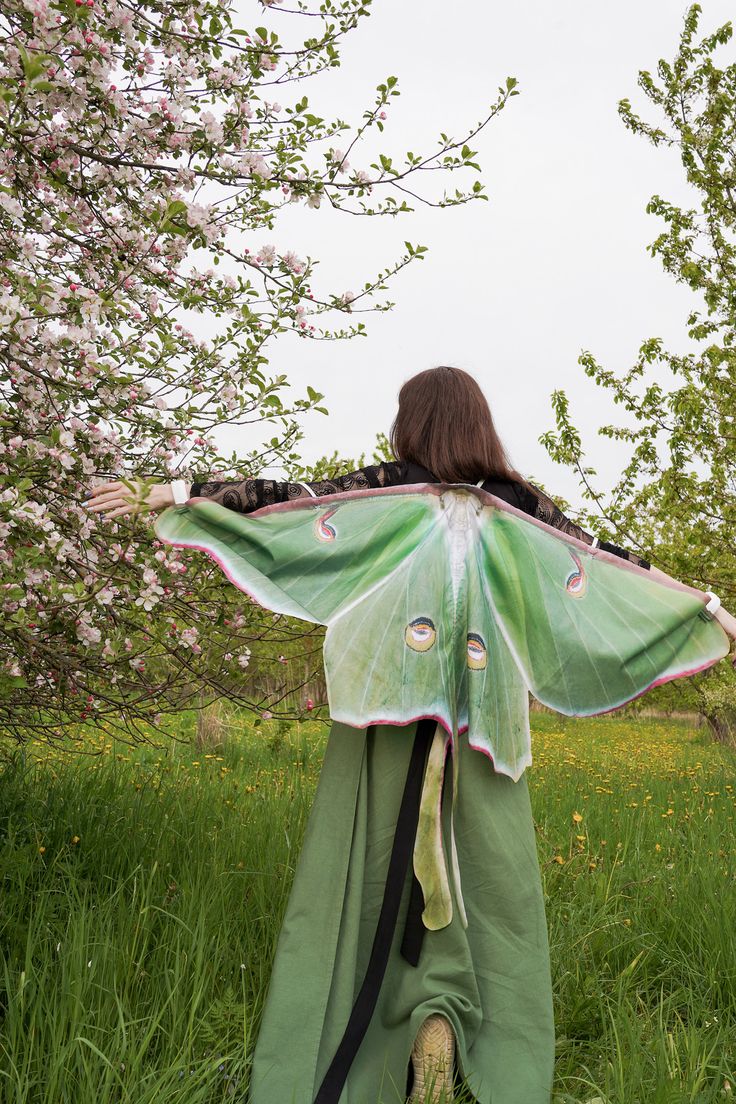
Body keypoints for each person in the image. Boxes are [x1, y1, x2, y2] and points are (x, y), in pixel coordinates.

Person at [86, 365, 736, 1104]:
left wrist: (179, 493)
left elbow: (295, 502)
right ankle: (454, 1015)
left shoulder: (393, 488)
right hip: (482, 722)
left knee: (366, 865)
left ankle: (388, 1024)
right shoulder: (516, 505)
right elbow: (606, 564)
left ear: (413, 424)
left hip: (387, 712)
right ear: (477, 424)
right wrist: (704, 610)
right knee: (486, 873)